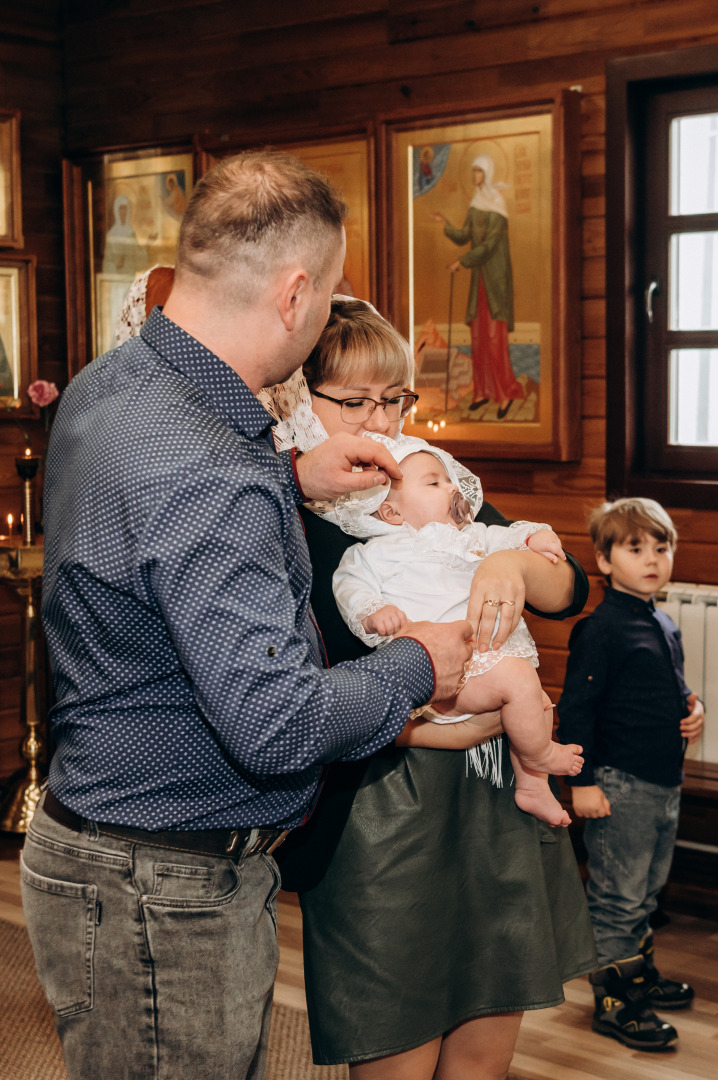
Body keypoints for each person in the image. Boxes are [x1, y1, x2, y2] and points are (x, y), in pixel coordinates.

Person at [20, 151, 477, 1080]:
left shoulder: (115, 383)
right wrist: (419, 663)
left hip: (103, 845)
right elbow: (276, 725)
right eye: (334, 289)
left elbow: (152, 524)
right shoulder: (207, 467)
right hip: (166, 885)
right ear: (295, 292)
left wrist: (286, 477)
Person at [263, 296, 597, 1080]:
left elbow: (569, 586)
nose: (382, 422)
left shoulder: (431, 488)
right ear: (297, 398)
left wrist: (508, 564)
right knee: (396, 1039)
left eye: (396, 399)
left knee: (486, 1037)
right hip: (377, 812)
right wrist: (431, 727)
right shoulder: (290, 517)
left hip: (489, 801)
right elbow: (288, 693)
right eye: (354, 402)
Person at [330, 433, 584, 827]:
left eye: (449, 480)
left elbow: (511, 536)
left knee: (533, 699)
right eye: (433, 482)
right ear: (391, 513)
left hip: (488, 659)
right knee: (521, 686)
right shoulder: (374, 553)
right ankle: (539, 756)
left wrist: (535, 536)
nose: (450, 487)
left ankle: (533, 786)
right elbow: (350, 585)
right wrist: (373, 612)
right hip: (445, 674)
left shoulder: (474, 536)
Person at [557, 497, 705, 1052]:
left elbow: (668, 683)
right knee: (618, 896)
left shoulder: (661, 621)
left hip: (663, 780)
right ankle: (616, 1000)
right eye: (635, 547)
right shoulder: (600, 629)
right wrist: (583, 781)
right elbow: (577, 709)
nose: (651, 558)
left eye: (660, 547)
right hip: (620, 785)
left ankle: (639, 973)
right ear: (603, 559)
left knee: (646, 891)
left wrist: (693, 709)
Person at [433, 153, 525, 419]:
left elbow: (487, 248)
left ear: (488, 174)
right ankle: (483, 392)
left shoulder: (498, 207)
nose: (475, 177)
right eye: (472, 172)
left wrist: (460, 263)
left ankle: (504, 393)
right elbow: (465, 236)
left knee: (496, 341)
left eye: (479, 172)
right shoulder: (475, 205)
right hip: (480, 285)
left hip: (495, 284)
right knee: (479, 340)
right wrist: (446, 224)